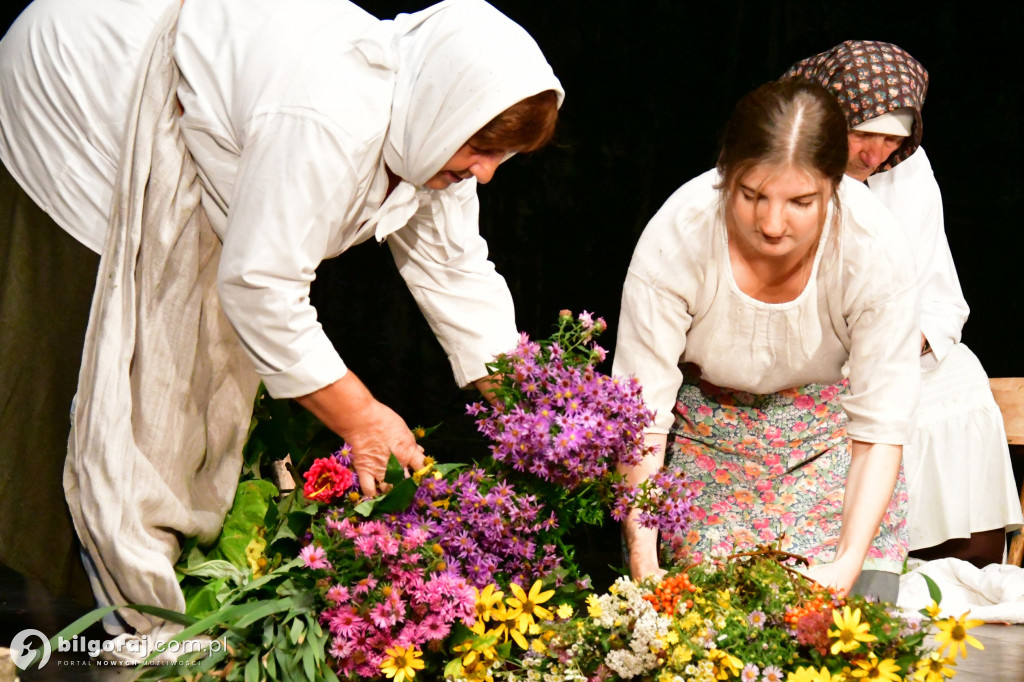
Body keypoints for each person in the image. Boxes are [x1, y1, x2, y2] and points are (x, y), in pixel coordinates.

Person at [0, 0, 562, 643]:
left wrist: (532, 413)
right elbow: (263, 286)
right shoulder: (328, 111)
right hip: (81, 98)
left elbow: (454, 269)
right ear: (446, 106)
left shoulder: (429, 120)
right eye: (481, 150)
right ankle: (56, 614)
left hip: (164, 101)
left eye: (501, 158)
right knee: (83, 371)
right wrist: (360, 416)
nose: (484, 174)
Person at [613, 79, 920, 601]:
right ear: (725, 174)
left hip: (830, 443)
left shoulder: (875, 250)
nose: (772, 224)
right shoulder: (681, 232)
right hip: (708, 437)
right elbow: (641, 413)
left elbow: (881, 425)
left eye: (801, 201)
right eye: (751, 195)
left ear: (835, 186)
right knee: (710, 622)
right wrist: (645, 566)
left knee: (855, 625)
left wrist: (844, 568)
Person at [786, 40, 1023, 567]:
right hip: (813, 358)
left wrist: (903, 339)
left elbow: (939, 292)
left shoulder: (909, 170)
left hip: (895, 348)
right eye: (864, 134)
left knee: (959, 374)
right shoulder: (782, 169)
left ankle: (965, 562)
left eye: (891, 141)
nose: (876, 154)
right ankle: (868, 561)